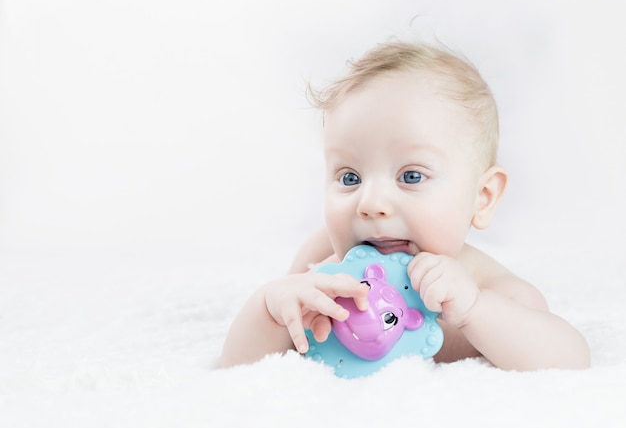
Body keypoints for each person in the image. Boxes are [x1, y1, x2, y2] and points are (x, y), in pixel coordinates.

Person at [219, 40, 590, 371]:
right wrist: (270, 308)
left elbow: (569, 359)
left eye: (411, 176)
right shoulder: (330, 286)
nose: (371, 203)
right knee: (304, 267)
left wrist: (475, 310)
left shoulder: (492, 290)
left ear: (483, 197)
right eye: (350, 178)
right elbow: (237, 365)